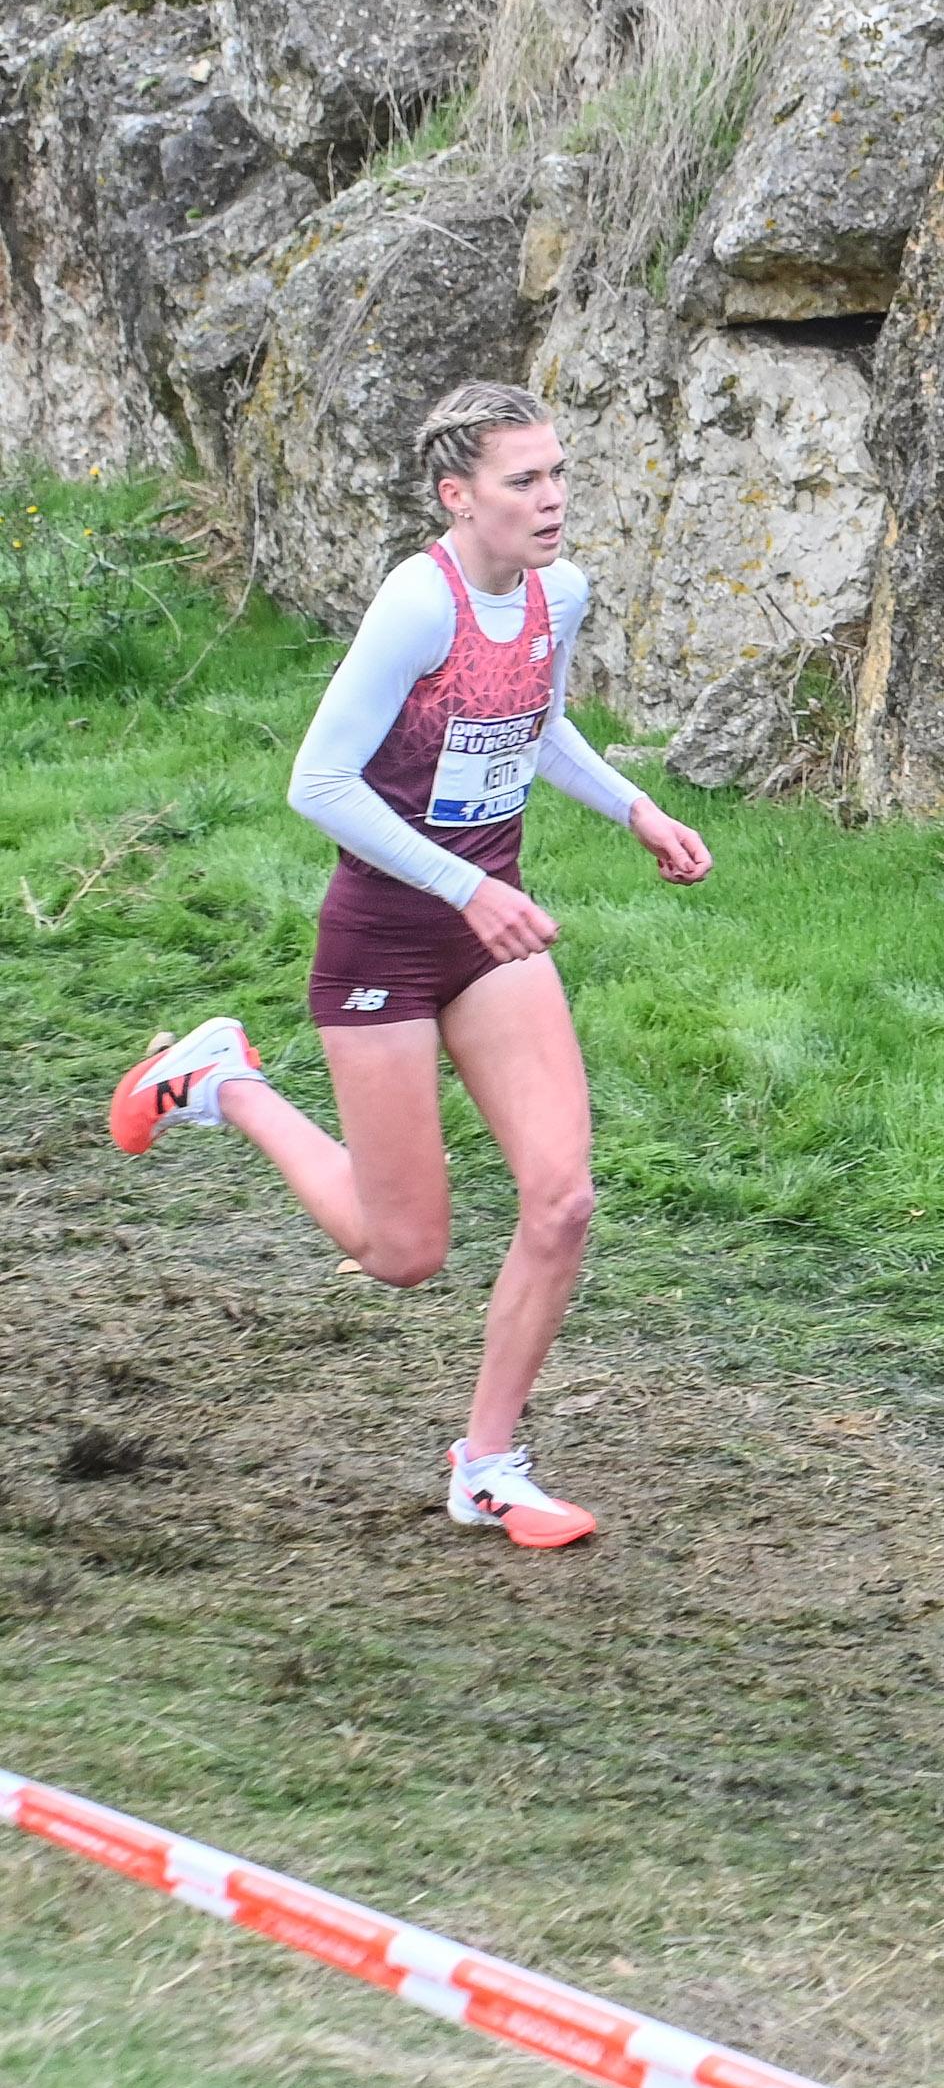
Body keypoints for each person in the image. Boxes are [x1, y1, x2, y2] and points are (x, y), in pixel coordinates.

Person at [108, 380, 712, 1549]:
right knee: (403, 1251)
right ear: (458, 495)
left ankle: (487, 1462)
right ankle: (222, 1081)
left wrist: (633, 806)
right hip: (387, 937)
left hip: (491, 936)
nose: (551, 498)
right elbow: (317, 782)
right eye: (522, 480)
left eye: (558, 473)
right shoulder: (414, 606)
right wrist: (467, 884)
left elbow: (530, 723)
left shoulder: (559, 594)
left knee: (562, 1197)